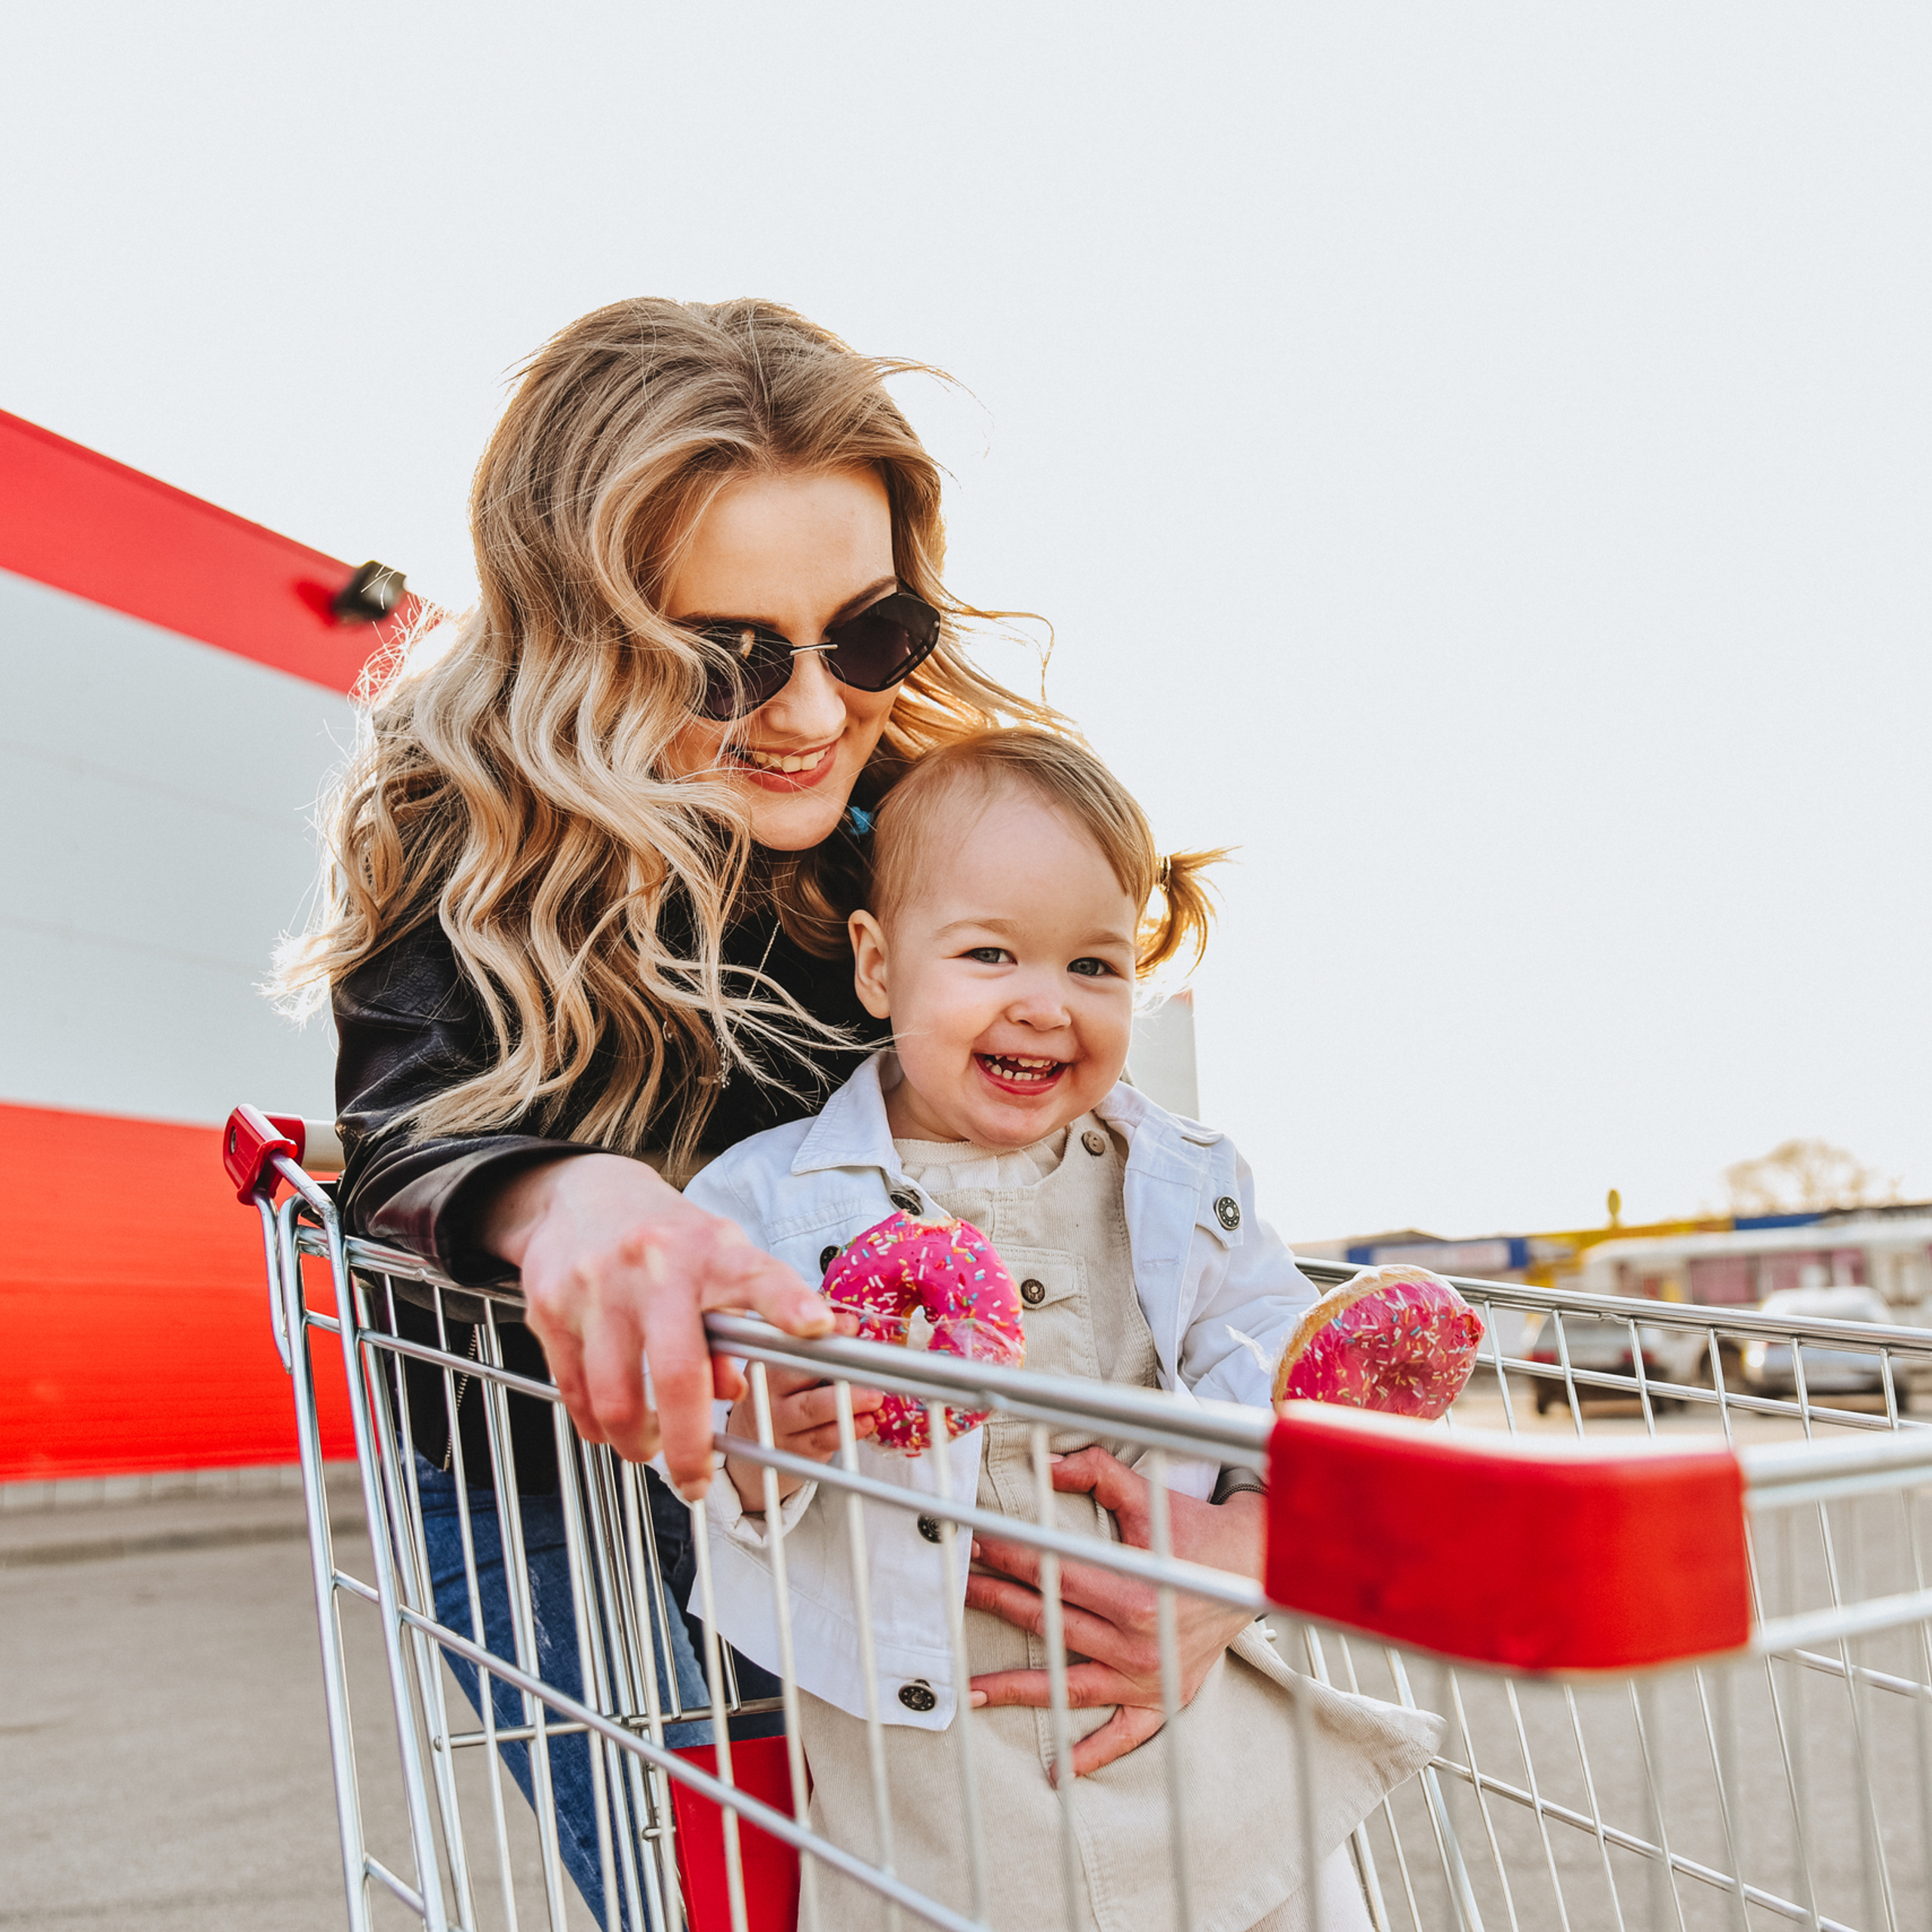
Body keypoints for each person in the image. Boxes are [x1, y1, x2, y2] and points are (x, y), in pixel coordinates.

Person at [278, 298, 1297, 1923]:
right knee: (746, 1899)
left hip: (910, 1469)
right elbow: (417, 1127)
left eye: (868, 636)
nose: (815, 710)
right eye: (725, 657)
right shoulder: (467, 836)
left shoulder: (923, 839)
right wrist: (578, 1198)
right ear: (582, 637)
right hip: (573, 1496)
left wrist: (1232, 1555)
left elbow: (1132, 1218)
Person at [687, 729, 1444, 1932]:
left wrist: (1274, 1491)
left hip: (1205, 1763)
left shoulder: (1187, 1183)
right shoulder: (765, 1203)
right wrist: (752, 1440)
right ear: (880, 969)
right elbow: (704, 1460)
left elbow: (1257, 1384)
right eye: (990, 953)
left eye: (1096, 965)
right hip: (937, 1806)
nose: (1046, 1004)